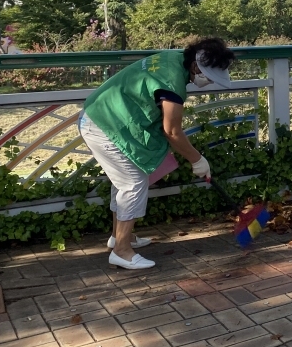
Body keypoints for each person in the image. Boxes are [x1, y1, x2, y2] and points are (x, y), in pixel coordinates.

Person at [80, 37, 234, 270]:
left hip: (102, 114)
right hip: (104, 124)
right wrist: (197, 159)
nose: (210, 82)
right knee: (133, 183)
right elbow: (172, 131)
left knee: (124, 181)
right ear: (196, 67)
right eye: (209, 77)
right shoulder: (172, 82)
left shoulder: (174, 58)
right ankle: (121, 251)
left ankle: (119, 237)